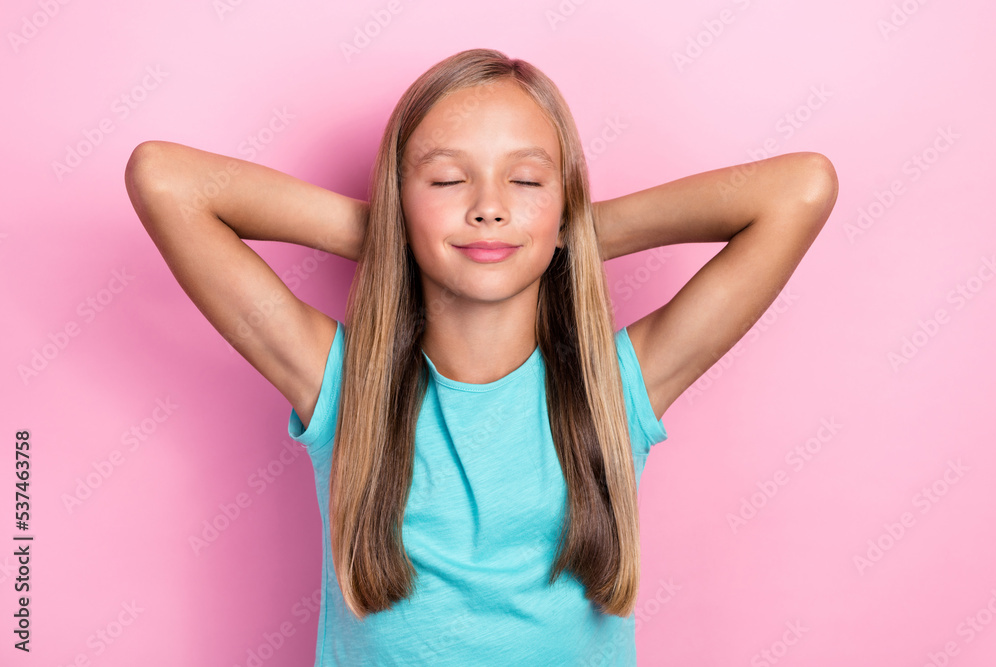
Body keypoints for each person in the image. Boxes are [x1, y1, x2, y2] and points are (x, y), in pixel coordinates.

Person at [124, 48, 838, 666]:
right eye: (445, 182)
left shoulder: (616, 387)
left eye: (525, 182)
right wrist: (398, 238)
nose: (489, 207)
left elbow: (800, 187)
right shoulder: (341, 382)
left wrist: (568, 239)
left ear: (562, 203)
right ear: (401, 200)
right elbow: (165, 179)